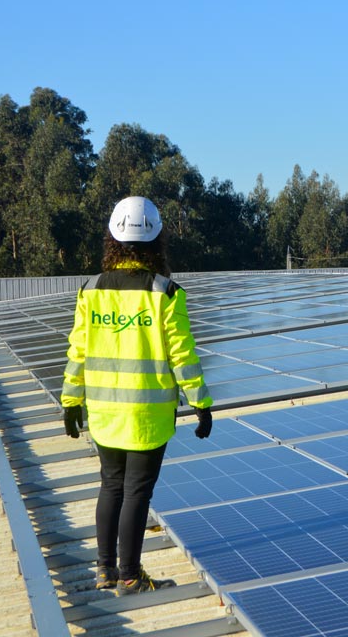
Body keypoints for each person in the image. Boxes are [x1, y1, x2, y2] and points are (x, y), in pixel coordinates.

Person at [61, 196, 213, 595]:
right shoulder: (164, 293)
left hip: (104, 413)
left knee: (110, 485)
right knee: (137, 491)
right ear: (156, 240)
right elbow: (183, 354)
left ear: (112, 239)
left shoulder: (90, 290)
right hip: (147, 416)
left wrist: (71, 400)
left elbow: (78, 351)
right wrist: (201, 403)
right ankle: (130, 576)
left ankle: (105, 571)